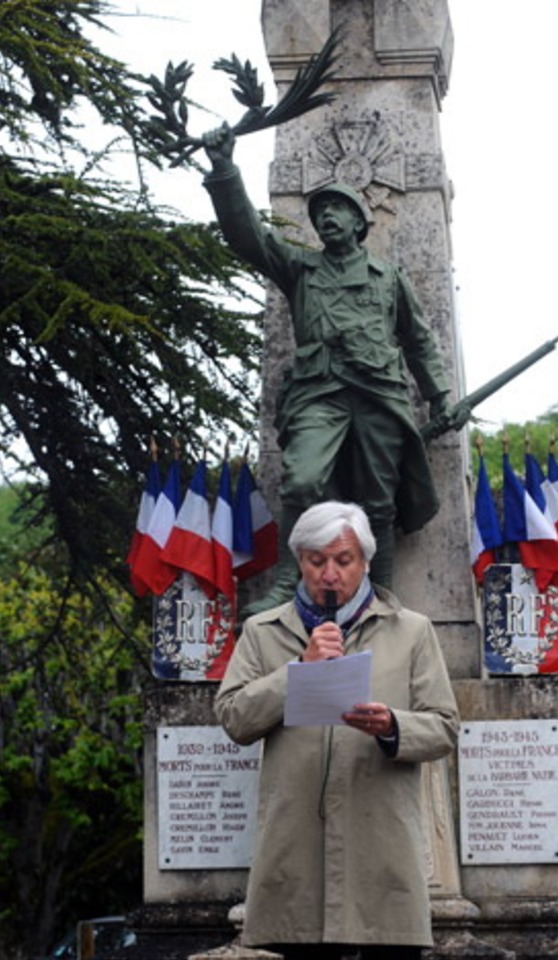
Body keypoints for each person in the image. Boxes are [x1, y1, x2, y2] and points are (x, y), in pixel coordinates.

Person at [214, 501, 459, 960]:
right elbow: (234, 718)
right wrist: (297, 672)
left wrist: (393, 725)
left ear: (364, 562)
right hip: (302, 849)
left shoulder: (413, 631)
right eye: (317, 560)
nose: (330, 573)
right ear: (300, 561)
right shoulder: (264, 632)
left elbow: (446, 728)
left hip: (382, 850)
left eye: (343, 560)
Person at [202, 124, 451, 607]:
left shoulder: (387, 276)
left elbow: (418, 337)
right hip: (320, 393)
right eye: (321, 211)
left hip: (379, 393)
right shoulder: (300, 268)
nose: (327, 217)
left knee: (379, 499)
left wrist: (438, 395)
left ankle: (380, 597)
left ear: (360, 222)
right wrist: (225, 169)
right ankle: (286, 581)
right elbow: (248, 237)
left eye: (337, 209)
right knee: (302, 480)